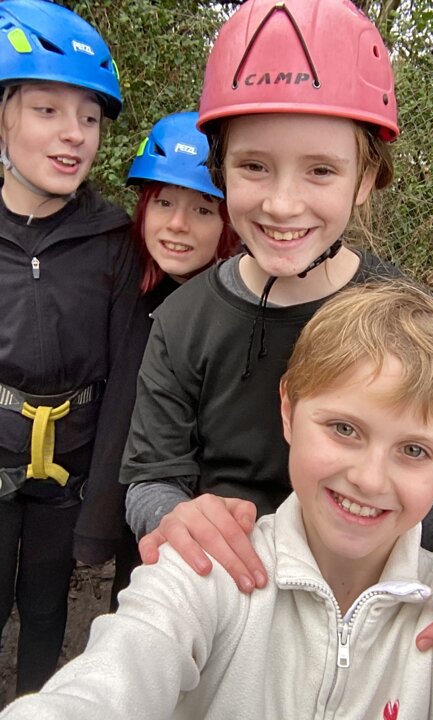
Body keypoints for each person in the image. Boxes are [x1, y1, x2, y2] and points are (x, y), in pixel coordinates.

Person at [121, 0, 433, 673]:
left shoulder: (408, 322)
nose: (282, 204)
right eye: (254, 167)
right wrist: (173, 515)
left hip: (364, 629)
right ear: (221, 170)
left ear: (367, 178)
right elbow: (151, 477)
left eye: (320, 170)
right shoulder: (183, 320)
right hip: (225, 606)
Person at [2, 281, 433, 720]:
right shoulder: (203, 574)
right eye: (344, 429)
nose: (370, 478)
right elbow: (111, 678)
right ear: (287, 410)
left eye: (415, 450)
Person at [0, 0, 139, 695]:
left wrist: (100, 510)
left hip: (70, 473)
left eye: (89, 117)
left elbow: (126, 376)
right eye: (47, 110)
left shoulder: (112, 239)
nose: (74, 134)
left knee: (47, 610)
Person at [72, 111, 239, 608]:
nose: (177, 225)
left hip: (220, 534)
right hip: (139, 517)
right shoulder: (128, 288)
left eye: (204, 209)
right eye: (163, 202)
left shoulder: (242, 313)